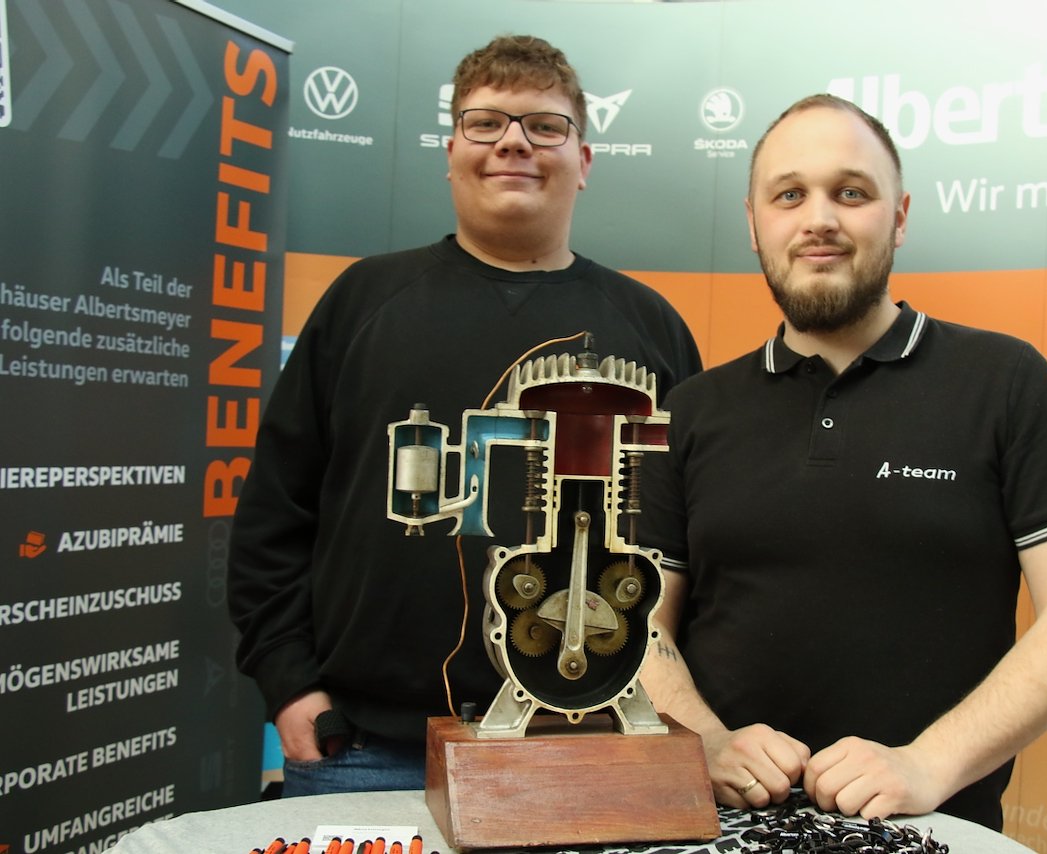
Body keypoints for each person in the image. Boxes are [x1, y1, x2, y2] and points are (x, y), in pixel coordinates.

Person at [228, 35, 702, 796]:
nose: (513, 142)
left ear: (584, 162)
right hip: (366, 747)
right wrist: (290, 684)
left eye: (545, 126)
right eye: (485, 124)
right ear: (451, 153)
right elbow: (273, 515)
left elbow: (696, 538)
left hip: (596, 745)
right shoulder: (362, 302)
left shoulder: (652, 327)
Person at [638, 94, 1047, 831]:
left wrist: (928, 762)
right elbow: (639, 620)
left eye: (851, 193)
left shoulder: (1006, 382)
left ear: (898, 217)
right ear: (753, 224)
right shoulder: (691, 410)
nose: (819, 219)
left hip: (933, 831)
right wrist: (703, 742)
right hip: (717, 826)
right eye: (789, 195)